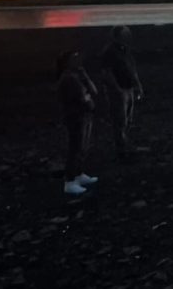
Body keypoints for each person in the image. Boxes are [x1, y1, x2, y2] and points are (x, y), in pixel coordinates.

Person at [56, 51, 99, 196]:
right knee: (75, 148)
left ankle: (78, 173)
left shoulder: (77, 76)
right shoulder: (68, 79)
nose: (78, 61)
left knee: (82, 146)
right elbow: (81, 97)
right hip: (75, 117)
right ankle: (69, 181)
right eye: (74, 58)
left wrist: (85, 76)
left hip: (83, 116)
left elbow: (93, 91)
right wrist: (88, 103)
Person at [100, 25, 143, 159]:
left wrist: (138, 85)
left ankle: (126, 145)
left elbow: (132, 69)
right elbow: (107, 72)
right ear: (117, 36)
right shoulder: (109, 51)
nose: (128, 36)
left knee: (127, 119)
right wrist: (117, 89)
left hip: (128, 88)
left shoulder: (125, 50)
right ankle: (121, 150)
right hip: (119, 90)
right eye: (125, 34)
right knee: (119, 120)